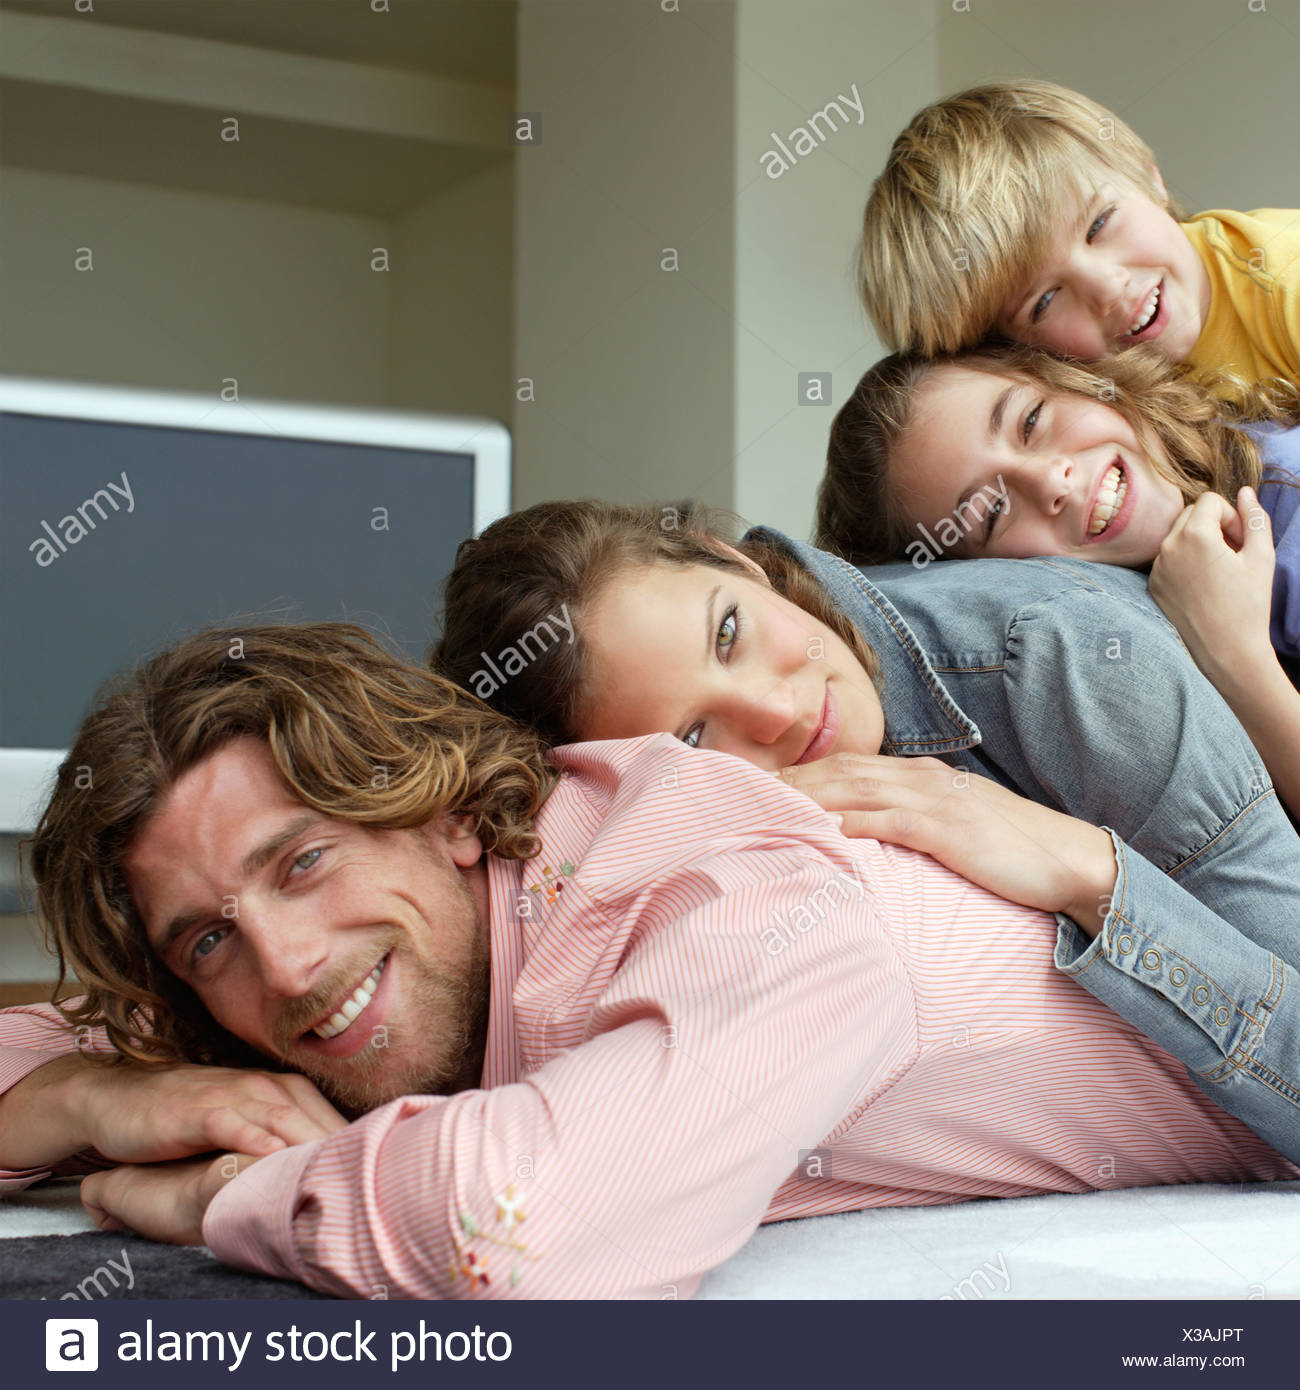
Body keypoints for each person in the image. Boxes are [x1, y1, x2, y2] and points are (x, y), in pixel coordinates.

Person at [1, 622, 1296, 1302]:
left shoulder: (716, 873)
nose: (283, 968)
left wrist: (199, 1199)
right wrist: (81, 1099)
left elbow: (520, 1237)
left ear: (449, 811)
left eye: (302, 863)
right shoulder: (419, 940)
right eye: (208, 939)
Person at [435, 499, 1300, 1158]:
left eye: (729, 632)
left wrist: (1088, 873)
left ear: (733, 560)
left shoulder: (1064, 659)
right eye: (695, 738)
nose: (777, 713)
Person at [816, 342, 1300, 819]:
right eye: (993, 511)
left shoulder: (1286, 495)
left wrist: (1237, 658)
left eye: (1031, 421)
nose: (1053, 480)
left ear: (1074, 376)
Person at [856, 79, 1300, 392]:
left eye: (1099, 224)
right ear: (1013, 357)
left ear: (1147, 176)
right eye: (1044, 301)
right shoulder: (1088, 408)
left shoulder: (1284, 282)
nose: (1107, 288)